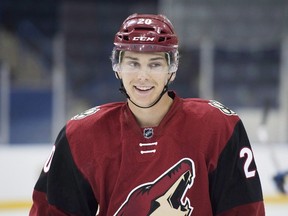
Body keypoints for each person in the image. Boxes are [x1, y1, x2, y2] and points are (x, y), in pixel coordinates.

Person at [29, 13, 265, 216]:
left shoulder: (218, 127)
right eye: (133, 63)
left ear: (172, 70)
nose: (143, 76)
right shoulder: (80, 136)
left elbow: (244, 209)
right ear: (117, 68)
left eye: (154, 64)